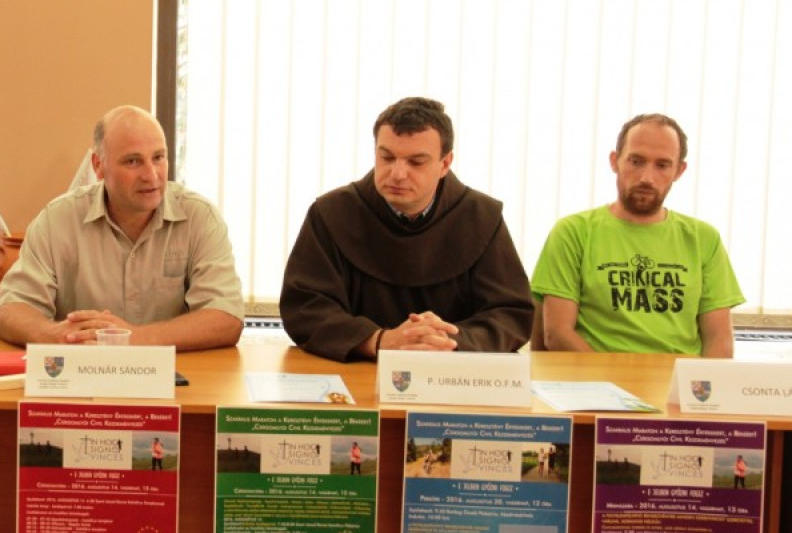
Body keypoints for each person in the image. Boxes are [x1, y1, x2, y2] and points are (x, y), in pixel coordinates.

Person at [280, 97, 533, 361]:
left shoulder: (481, 217)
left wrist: (449, 342)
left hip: (451, 374)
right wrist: (378, 340)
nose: (397, 174)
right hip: (358, 370)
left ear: (445, 164)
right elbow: (305, 307)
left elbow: (510, 313)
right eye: (387, 157)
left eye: (416, 162)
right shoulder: (332, 213)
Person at [0, 105, 244, 350]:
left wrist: (132, 338)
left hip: (175, 372)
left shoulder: (199, 217)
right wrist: (58, 335)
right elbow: (11, 311)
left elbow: (226, 318)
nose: (151, 175)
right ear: (98, 165)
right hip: (83, 368)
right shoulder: (57, 220)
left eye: (158, 157)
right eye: (133, 161)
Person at [531, 113, 743, 357]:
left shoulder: (703, 239)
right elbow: (557, 334)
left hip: (678, 380)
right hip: (594, 378)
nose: (646, 178)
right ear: (615, 161)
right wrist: (614, 379)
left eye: (662, 165)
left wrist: (698, 382)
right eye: (636, 161)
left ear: (679, 171)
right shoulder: (573, 232)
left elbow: (719, 340)